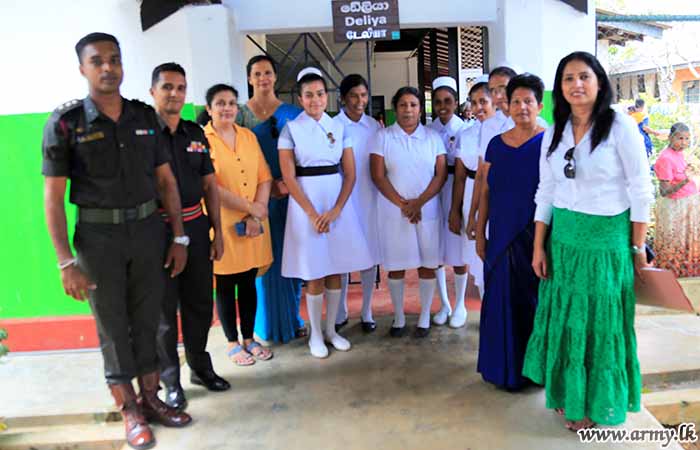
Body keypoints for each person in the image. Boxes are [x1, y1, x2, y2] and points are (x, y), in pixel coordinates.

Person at [42, 33, 191, 450]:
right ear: (83, 69)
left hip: (147, 232)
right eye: (97, 61)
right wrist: (65, 261)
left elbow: (166, 181)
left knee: (149, 320)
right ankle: (129, 410)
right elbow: (52, 200)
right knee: (112, 326)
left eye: (114, 59)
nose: (108, 67)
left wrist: (178, 235)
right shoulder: (66, 123)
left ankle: (152, 399)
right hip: (98, 239)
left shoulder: (145, 117)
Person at [522, 51, 654, 430]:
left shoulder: (620, 127)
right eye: (567, 78)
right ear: (559, 88)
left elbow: (641, 188)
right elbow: (545, 189)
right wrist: (538, 245)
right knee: (565, 322)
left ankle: (596, 404)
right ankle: (569, 396)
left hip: (605, 241)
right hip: (563, 240)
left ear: (599, 82)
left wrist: (637, 246)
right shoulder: (555, 130)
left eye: (583, 76)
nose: (576, 85)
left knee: (599, 324)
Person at [150, 63, 230, 412]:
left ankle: (199, 366)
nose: (175, 94)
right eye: (167, 87)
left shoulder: (195, 133)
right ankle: (170, 380)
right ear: (153, 91)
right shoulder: (141, 134)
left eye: (181, 87)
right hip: (157, 232)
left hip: (197, 227)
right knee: (164, 310)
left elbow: (210, 184)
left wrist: (217, 231)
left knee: (198, 304)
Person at [278, 67, 373, 358]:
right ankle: (315, 334)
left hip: (335, 205)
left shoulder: (338, 127)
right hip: (305, 206)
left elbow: (351, 174)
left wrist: (335, 211)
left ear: (326, 96)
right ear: (300, 97)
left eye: (319, 94)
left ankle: (332, 330)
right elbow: (289, 177)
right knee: (314, 272)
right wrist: (311, 213)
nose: (315, 100)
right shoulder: (291, 129)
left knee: (335, 269)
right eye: (308, 95)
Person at [474, 74, 545, 390]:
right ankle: (501, 370)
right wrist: (479, 231)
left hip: (536, 236)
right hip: (500, 234)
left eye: (528, 101)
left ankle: (534, 371)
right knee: (499, 300)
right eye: (515, 101)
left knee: (533, 303)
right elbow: (486, 191)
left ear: (539, 105)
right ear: (507, 105)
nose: (521, 107)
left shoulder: (549, 143)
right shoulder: (495, 144)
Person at [201, 84, 275, 366]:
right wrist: (250, 208)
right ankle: (232, 342)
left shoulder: (247, 137)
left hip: (252, 223)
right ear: (209, 109)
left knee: (247, 282)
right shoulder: (202, 140)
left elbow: (264, 177)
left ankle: (249, 338)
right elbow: (209, 186)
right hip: (222, 223)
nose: (227, 108)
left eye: (232, 103)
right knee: (224, 283)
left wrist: (257, 214)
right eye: (220, 103)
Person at [236, 54, 306, 344]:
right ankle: (263, 326)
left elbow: (306, 153)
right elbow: (233, 155)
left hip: (290, 197)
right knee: (261, 263)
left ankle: (292, 320)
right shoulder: (239, 115)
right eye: (257, 73)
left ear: (275, 77)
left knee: (292, 259)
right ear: (250, 78)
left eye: (268, 73)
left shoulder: (293, 113)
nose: (263, 78)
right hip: (254, 200)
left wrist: (289, 183)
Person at [370, 86, 447, 338]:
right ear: (395, 108)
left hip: (427, 210)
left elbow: (440, 174)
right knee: (396, 266)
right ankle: (399, 316)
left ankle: (424, 315)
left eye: (413, 105)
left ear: (420, 108)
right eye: (403, 105)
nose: (408, 110)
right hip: (395, 211)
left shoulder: (432, 138)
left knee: (427, 263)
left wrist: (419, 203)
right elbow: (378, 176)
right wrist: (404, 204)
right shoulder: (383, 137)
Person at [333, 74, 382, 333]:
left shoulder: (373, 126)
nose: (359, 101)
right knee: (341, 258)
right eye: (354, 96)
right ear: (343, 98)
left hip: (370, 199)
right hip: (342, 201)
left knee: (369, 257)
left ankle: (366, 311)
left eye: (363, 95)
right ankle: (340, 311)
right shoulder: (332, 126)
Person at [427, 76, 470, 328]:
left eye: (448, 101)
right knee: (436, 250)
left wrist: (457, 208)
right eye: (438, 101)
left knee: (457, 250)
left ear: (455, 102)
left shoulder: (464, 130)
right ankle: (444, 303)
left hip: (457, 190)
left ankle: (460, 304)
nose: (442, 106)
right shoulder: (429, 130)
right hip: (435, 191)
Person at [653, 122, 700, 277]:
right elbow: (664, 191)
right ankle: (673, 277)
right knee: (674, 244)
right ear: (670, 138)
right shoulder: (665, 158)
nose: (684, 143)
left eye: (687, 139)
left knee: (684, 244)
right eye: (680, 138)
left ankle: (685, 272)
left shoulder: (678, 153)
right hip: (675, 209)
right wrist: (686, 180)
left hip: (685, 207)